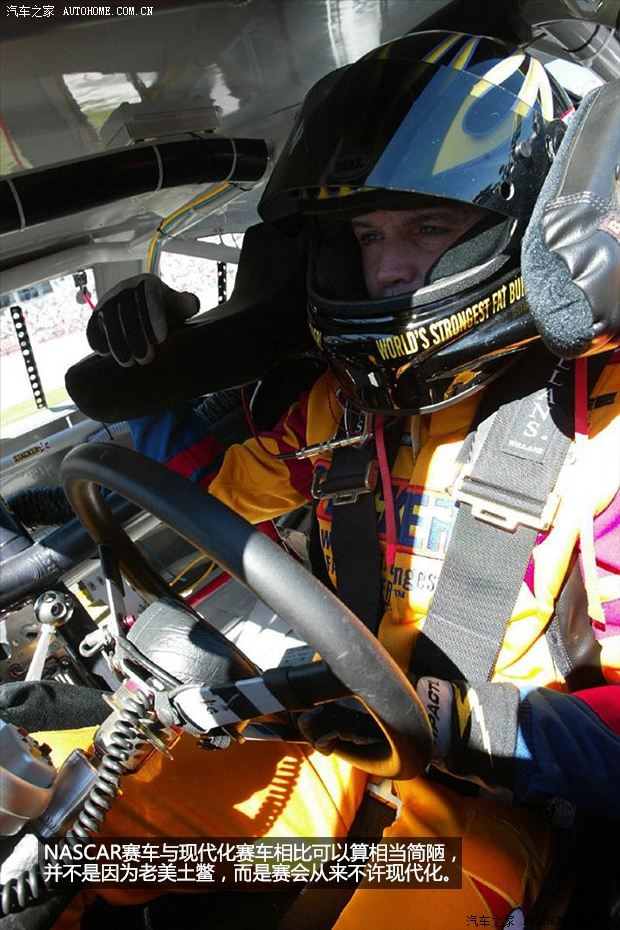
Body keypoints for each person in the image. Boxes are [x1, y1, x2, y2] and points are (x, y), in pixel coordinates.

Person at [33, 30, 620, 930]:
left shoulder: (600, 429)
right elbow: (207, 511)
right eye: (367, 235)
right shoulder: (334, 407)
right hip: (341, 754)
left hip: (500, 805)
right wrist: (163, 369)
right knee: (76, 834)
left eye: (429, 227)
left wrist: (471, 724)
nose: (388, 269)